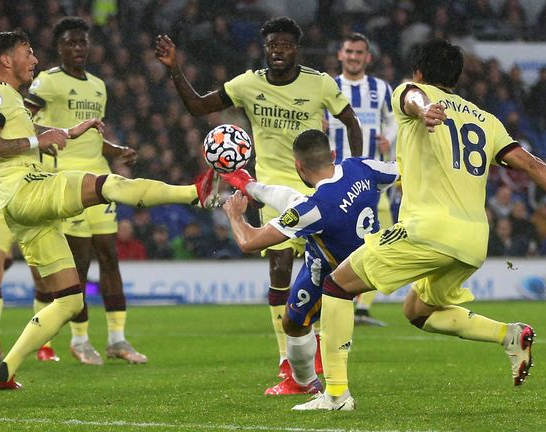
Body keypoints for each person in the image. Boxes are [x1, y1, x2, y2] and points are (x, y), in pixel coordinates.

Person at [293, 39, 546, 411]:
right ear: (456, 77)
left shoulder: (412, 93)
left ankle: (337, 394)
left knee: (337, 285)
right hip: (473, 242)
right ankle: (509, 335)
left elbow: (412, 97)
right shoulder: (486, 119)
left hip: (427, 230)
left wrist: (424, 109)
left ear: (420, 71)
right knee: (416, 311)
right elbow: (534, 165)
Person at [0, 30, 217, 389]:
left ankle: (3, 372)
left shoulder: (11, 98)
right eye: (28, 52)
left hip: (23, 212)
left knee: (70, 301)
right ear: (7, 60)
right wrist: (36, 141)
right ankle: (193, 193)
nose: (35, 59)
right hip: (26, 191)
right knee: (108, 184)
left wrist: (68, 132)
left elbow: (29, 127)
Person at [156, 16, 363, 379]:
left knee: (326, 272)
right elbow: (198, 106)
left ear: (296, 49)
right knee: (280, 267)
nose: (277, 50)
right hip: (270, 187)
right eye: (272, 44)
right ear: (264, 49)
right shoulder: (247, 84)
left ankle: (316, 345)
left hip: (316, 185)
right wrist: (175, 69)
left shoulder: (320, 84)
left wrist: (352, 168)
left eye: (285, 44)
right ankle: (287, 356)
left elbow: (352, 122)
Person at [222, 129, 398, 396]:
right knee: (294, 202)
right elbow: (401, 171)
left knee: (293, 323)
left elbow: (248, 241)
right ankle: (248, 183)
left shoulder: (314, 209)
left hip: (331, 273)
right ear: (334, 155)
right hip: (369, 258)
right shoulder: (361, 166)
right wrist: (248, 186)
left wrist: (235, 216)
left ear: (298, 166)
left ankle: (304, 383)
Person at [24, 17, 146, 366]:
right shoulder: (48, 81)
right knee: (79, 262)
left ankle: (117, 339)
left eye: (83, 42)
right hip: (67, 183)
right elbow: (23, 121)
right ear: (59, 46)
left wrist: (116, 150)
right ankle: (79, 340)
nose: (78, 48)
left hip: (101, 180)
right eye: (71, 42)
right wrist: (48, 136)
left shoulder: (98, 85)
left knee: (109, 255)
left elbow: (91, 136)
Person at [328, 32, 396, 327]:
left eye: (359, 52)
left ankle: (363, 307)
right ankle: (329, 298)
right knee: (336, 239)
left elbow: (394, 120)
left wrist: (388, 139)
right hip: (337, 175)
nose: (354, 57)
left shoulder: (380, 89)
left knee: (382, 240)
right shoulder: (329, 86)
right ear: (340, 55)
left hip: (373, 176)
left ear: (368, 58)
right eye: (349, 52)